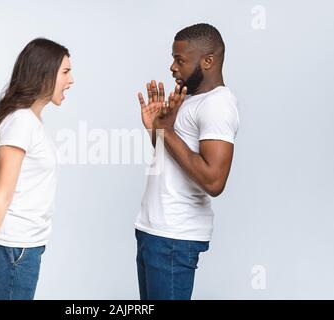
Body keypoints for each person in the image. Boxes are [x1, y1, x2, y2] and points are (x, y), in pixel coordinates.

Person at [136, 23, 240, 300]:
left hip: (175, 237)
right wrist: (156, 129)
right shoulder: (191, 99)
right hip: (154, 231)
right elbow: (175, 160)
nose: (172, 67)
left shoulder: (217, 104)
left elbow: (214, 181)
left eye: (179, 60)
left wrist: (167, 131)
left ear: (208, 61)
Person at [0, 38, 74, 300]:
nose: (71, 80)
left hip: (23, 247)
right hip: (12, 249)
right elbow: (2, 196)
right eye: (66, 72)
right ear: (44, 73)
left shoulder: (30, 120)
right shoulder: (21, 122)